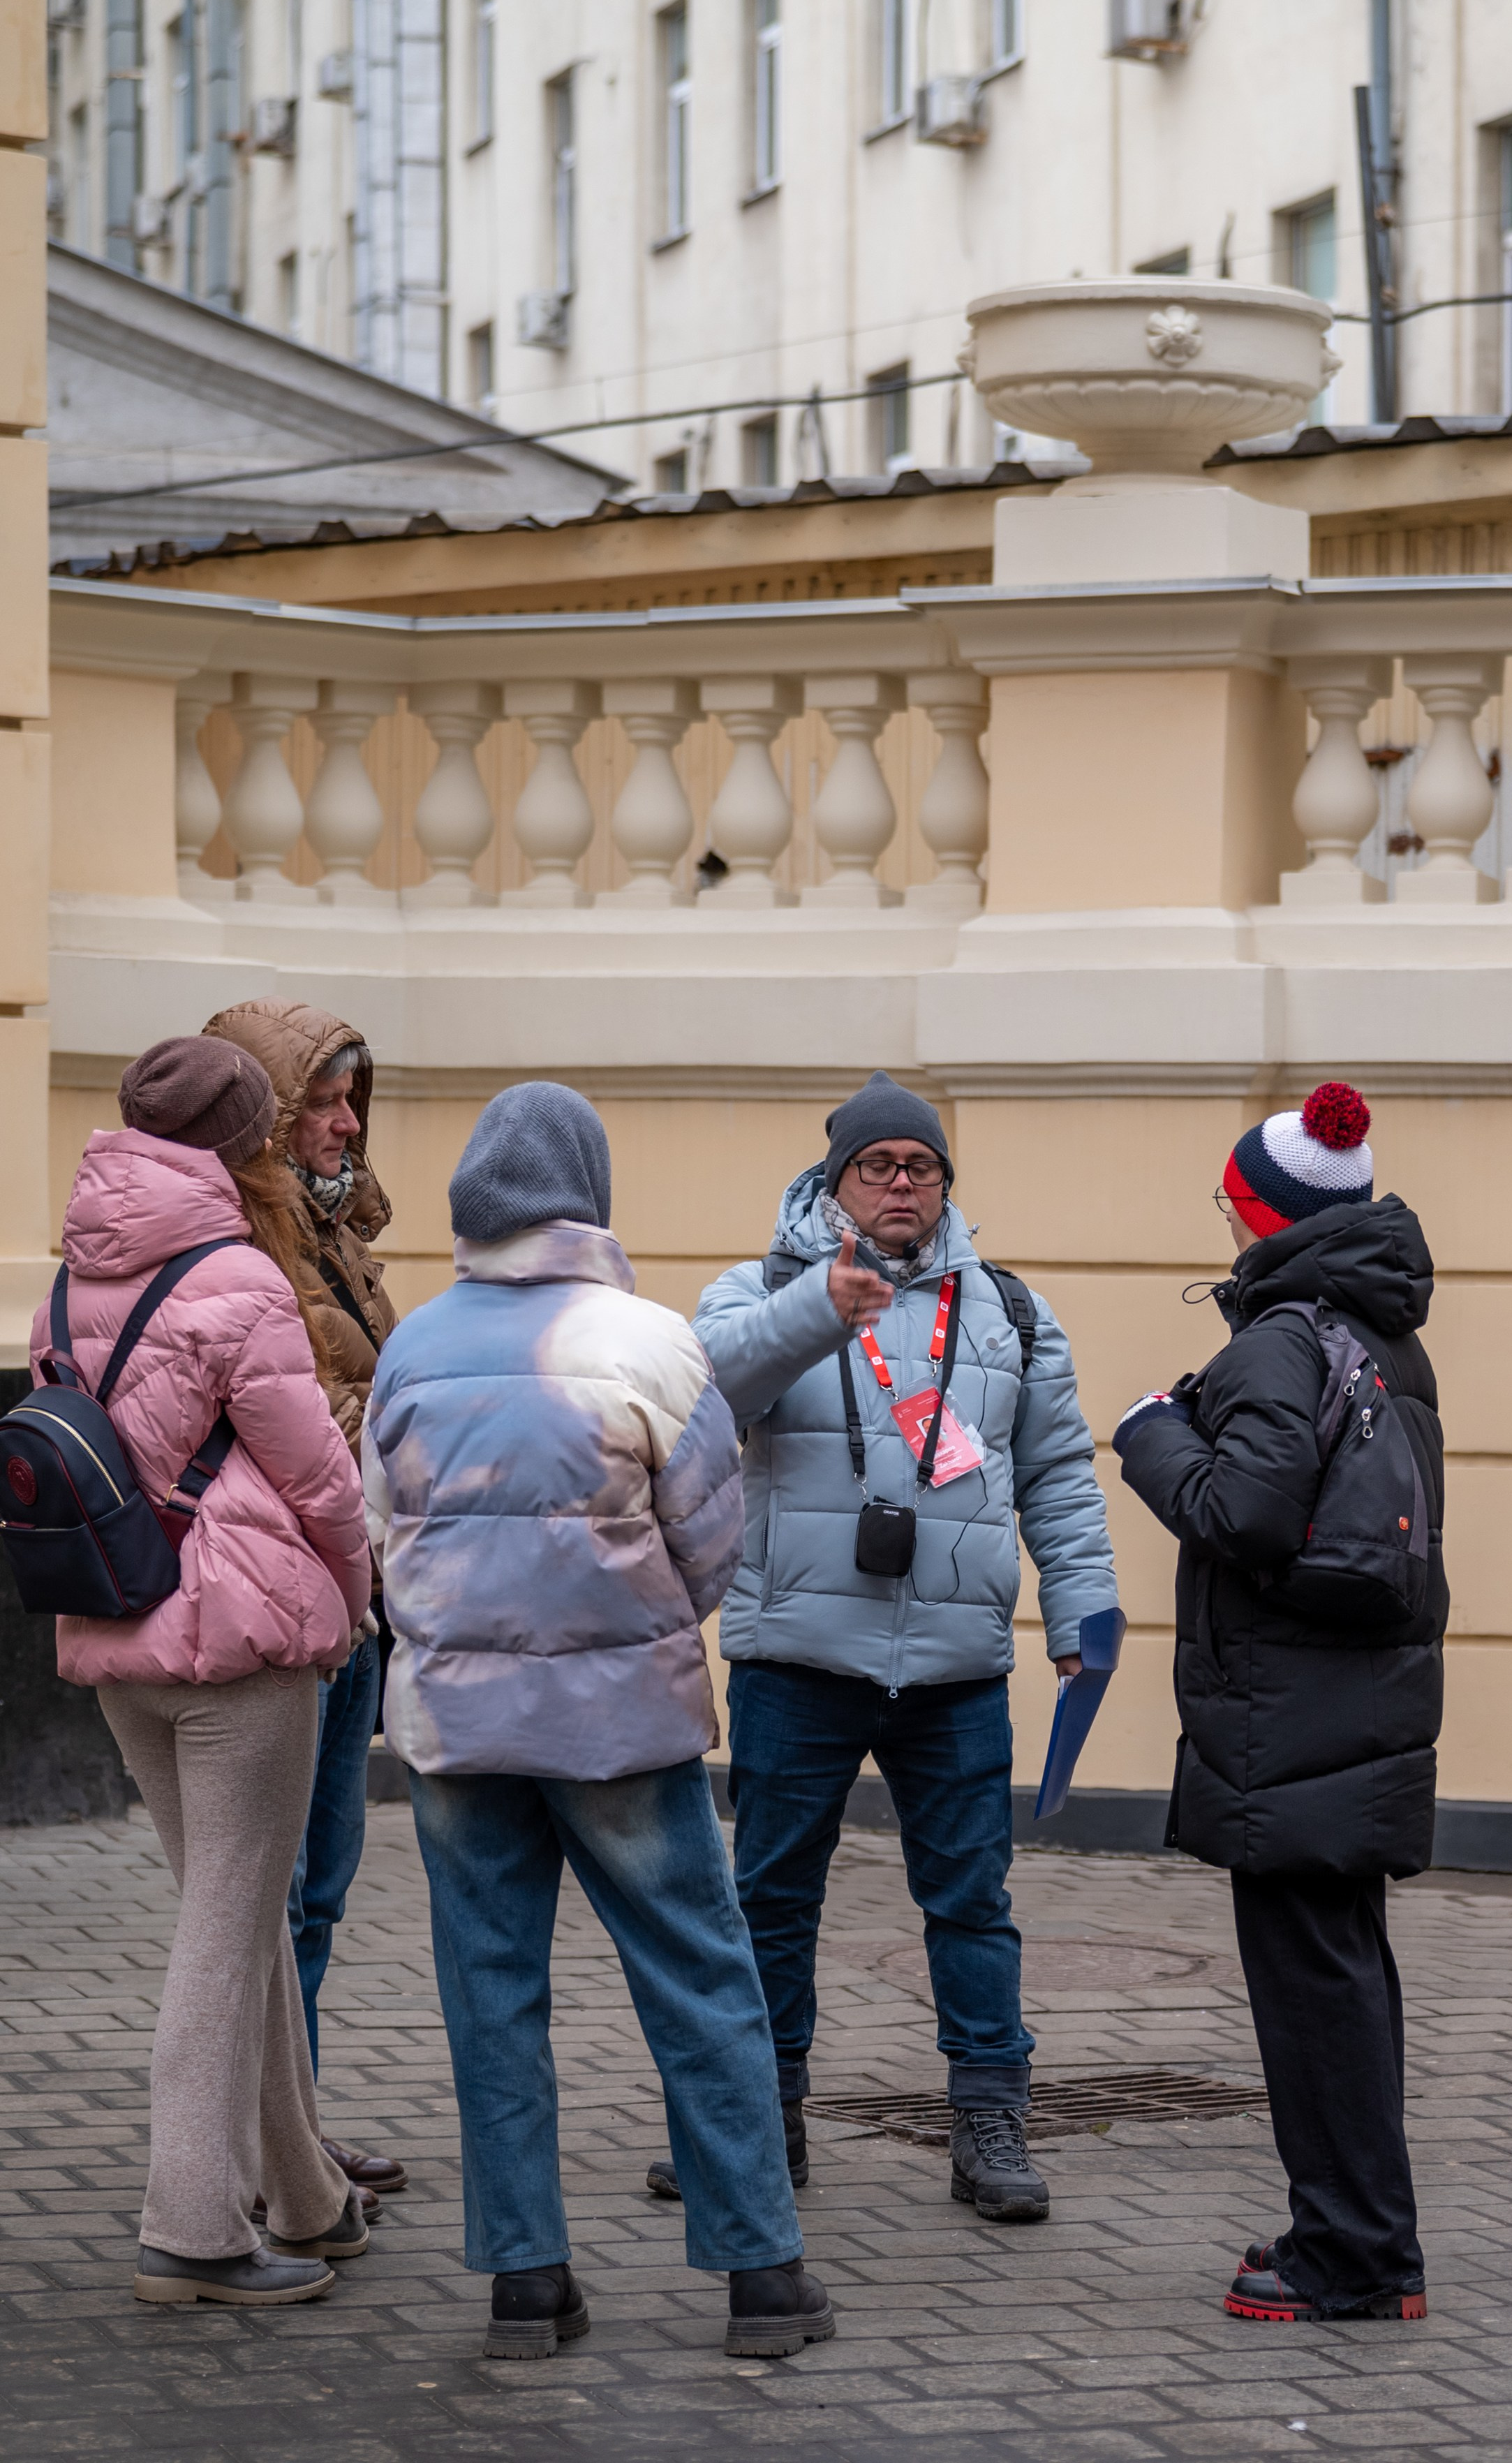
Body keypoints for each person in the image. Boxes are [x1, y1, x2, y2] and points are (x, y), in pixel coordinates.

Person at [360, 1082, 834, 2362]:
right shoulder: (650, 1341)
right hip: (619, 1726)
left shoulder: (411, 1348)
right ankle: (763, 2279)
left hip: (456, 1729)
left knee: (491, 1991)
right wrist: (630, 1622)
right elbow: (712, 1542)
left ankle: (526, 2285)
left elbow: (381, 1536)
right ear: (589, 1191)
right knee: (701, 1978)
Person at [685, 1071, 1118, 2226]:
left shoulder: (1009, 1310)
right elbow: (707, 1397)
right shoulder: (758, 1289)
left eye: (921, 1167)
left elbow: (1059, 1475)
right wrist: (820, 1307)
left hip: (955, 1667)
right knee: (771, 1899)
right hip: (798, 1659)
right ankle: (760, 2121)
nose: (901, 1184)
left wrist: (1083, 1614)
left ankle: (990, 2119)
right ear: (835, 1184)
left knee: (972, 1902)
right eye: (877, 1166)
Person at [34, 1036, 373, 2308]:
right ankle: (192, 2229)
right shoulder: (238, 1274)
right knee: (227, 1932)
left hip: (118, 1627)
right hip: (241, 1639)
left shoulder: (67, 1278)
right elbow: (316, 1474)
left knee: (240, 1915)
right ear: (240, 1141)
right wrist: (355, 1589)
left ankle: (305, 2194)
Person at [1112, 1082, 1444, 2326]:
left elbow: (1243, 1515)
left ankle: (1353, 2258)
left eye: (1230, 1199)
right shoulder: (1384, 1334)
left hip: (1289, 1717)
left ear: (1258, 1212)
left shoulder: (1279, 1341)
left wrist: (1153, 1434)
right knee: (1346, 1980)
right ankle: (1363, 2238)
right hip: (1359, 1709)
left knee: (1313, 1999)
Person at [202, 1000, 406, 2212]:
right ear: (268, 1115)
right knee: (264, 1908)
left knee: (317, 1899)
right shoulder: (230, 1243)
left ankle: (300, 2136)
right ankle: (245, 2159)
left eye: (352, 1100)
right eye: (322, 1101)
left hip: (355, 1600)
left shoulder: (338, 1234)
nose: (346, 1123)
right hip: (279, 1608)